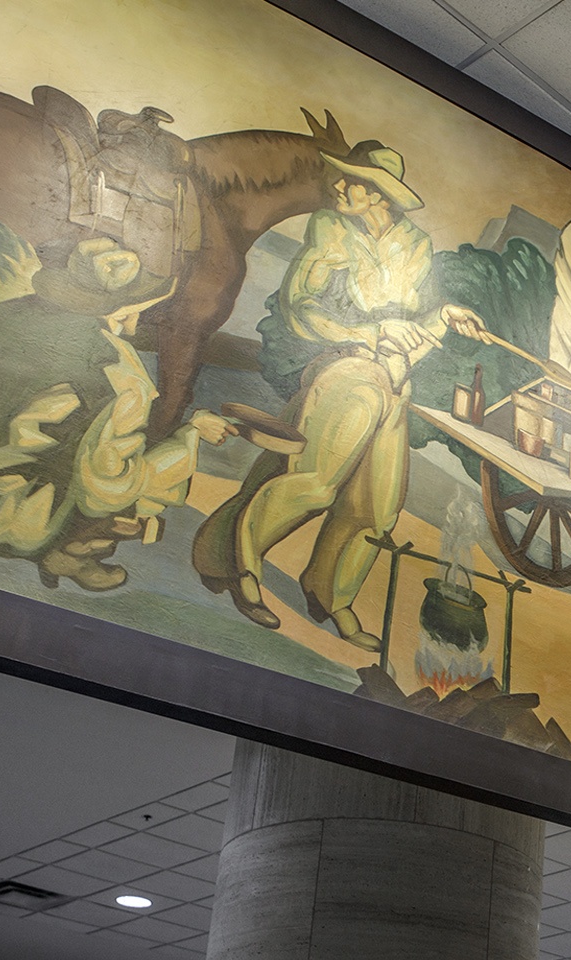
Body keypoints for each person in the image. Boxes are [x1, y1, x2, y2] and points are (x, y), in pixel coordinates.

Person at [191, 140, 486, 649]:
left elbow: (413, 322)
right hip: (348, 368)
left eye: (355, 180)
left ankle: (331, 593)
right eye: (343, 177)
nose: (341, 185)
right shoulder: (330, 228)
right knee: (314, 485)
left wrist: (443, 315)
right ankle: (241, 566)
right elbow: (301, 306)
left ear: (381, 195)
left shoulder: (415, 244)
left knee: (376, 508)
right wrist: (371, 333)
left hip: (397, 382)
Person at [0, 237, 232, 590]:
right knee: (124, 484)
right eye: (136, 311)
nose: (138, 323)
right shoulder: (114, 372)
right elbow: (107, 488)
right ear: (121, 309)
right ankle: (67, 555)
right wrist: (188, 436)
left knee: (72, 447)